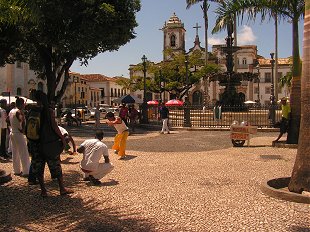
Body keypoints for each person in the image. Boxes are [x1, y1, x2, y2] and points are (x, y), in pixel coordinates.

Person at [27, 90, 72, 197]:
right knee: (55, 165)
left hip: (35, 144)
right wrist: (62, 139)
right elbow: (54, 127)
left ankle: (43, 191)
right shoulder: (48, 111)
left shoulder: (31, 110)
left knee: (38, 167)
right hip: (48, 143)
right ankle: (62, 188)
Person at [8, 97, 30, 176]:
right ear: (21, 104)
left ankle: (16, 170)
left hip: (12, 132)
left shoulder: (11, 111)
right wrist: (23, 130)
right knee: (23, 152)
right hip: (18, 133)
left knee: (15, 152)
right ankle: (26, 171)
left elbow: (7, 120)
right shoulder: (19, 111)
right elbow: (22, 122)